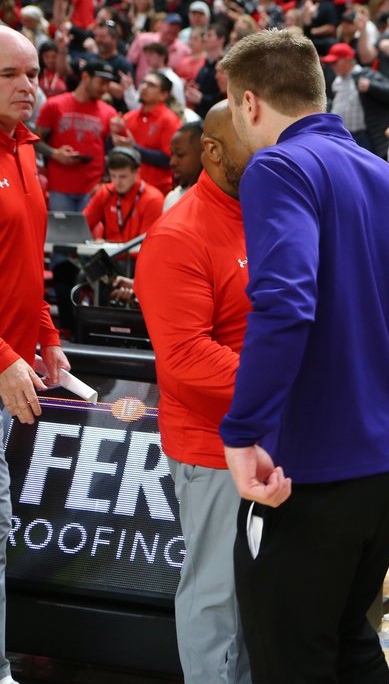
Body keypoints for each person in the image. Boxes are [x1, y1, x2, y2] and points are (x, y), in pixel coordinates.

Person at [216, 30, 389, 682]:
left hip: (312, 464)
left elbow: (286, 302)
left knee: (290, 658)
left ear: (251, 103)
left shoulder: (278, 168)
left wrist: (242, 430)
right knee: (350, 643)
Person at [135, 101, 254, 684]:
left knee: (257, 604)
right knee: (214, 598)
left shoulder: (268, 213)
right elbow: (184, 359)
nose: (271, 151)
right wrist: (291, 384)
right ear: (213, 151)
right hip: (212, 446)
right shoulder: (178, 234)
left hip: (276, 441)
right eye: (252, 140)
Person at [0, 25, 69, 684]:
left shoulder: (24, 149)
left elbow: (23, 265)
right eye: (12, 76)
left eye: (33, 72)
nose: (31, 87)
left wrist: (46, 339)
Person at [35, 59, 119, 211]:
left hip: (93, 186)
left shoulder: (109, 112)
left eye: (108, 84)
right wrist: (55, 153)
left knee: (89, 234)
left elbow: (110, 152)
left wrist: (105, 182)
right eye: (101, 82)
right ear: (86, 76)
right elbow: (36, 140)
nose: (105, 88)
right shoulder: (54, 105)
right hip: (60, 185)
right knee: (61, 233)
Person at [82, 147, 167, 242]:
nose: (117, 182)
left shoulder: (153, 199)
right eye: (113, 176)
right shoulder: (105, 192)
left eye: (123, 176)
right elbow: (82, 226)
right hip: (110, 253)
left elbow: (147, 243)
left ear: (137, 173)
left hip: (136, 255)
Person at [164, 121, 205, 211]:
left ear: (204, 152)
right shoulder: (172, 198)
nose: (172, 162)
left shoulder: (222, 199)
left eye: (180, 154)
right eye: (172, 154)